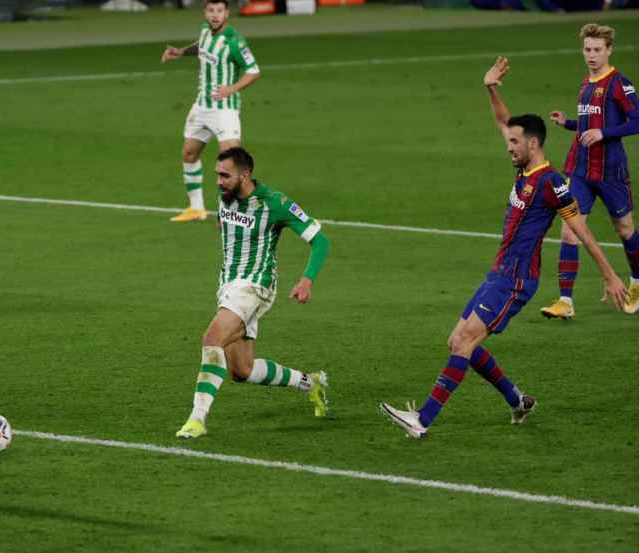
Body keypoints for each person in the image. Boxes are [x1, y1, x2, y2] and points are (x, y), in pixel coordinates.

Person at [380, 58, 628, 440]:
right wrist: (491, 88)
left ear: (533, 144)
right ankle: (517, 400)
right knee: (458, 341)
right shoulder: (524, 167)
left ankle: (423, 420)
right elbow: (503, 121)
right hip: (499, 272)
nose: (507, 145)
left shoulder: (551, 183)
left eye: (514, 141)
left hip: (516, 280)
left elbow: (580, 228)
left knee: (464, 341)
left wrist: (610, 274)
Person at [176, 147, 330, 439]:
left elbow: (320, 241)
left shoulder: (275, 203)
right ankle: (311, 383)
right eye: (217, 175)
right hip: (227, 286)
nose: (219, 181)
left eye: (225, 175)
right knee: (241, 371)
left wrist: (306, 280)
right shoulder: (227, 197)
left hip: (254, 286)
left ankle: (196, 419)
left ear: (244, 176)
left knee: (212, 339)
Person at [541, 23, 639, 319]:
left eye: (597, 50)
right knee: (570, 230)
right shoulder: (586, 84)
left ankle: (636, 282)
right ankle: (565, 302)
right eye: (587, 49)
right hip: (581, 170)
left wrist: (604, 134)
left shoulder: (619, 84)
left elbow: (636, 121)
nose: (592, 55)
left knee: (625, 229)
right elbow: (588, 126)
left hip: (610, 172)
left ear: (609, 50)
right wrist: (568, 123)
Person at [161, 0, 261, 223]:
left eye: (219, 11)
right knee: (189, 153)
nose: (215, 15)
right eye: (211, 11)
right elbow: (202, 46)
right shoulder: (206, 31)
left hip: (224, 111)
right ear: (205, 13)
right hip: (201, 105)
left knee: (232, 164)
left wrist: (231, 89)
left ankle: (239, 212)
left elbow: (253, 71)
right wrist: (180, 52)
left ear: (226, 13)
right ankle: (196, 208)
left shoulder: (235, 41)